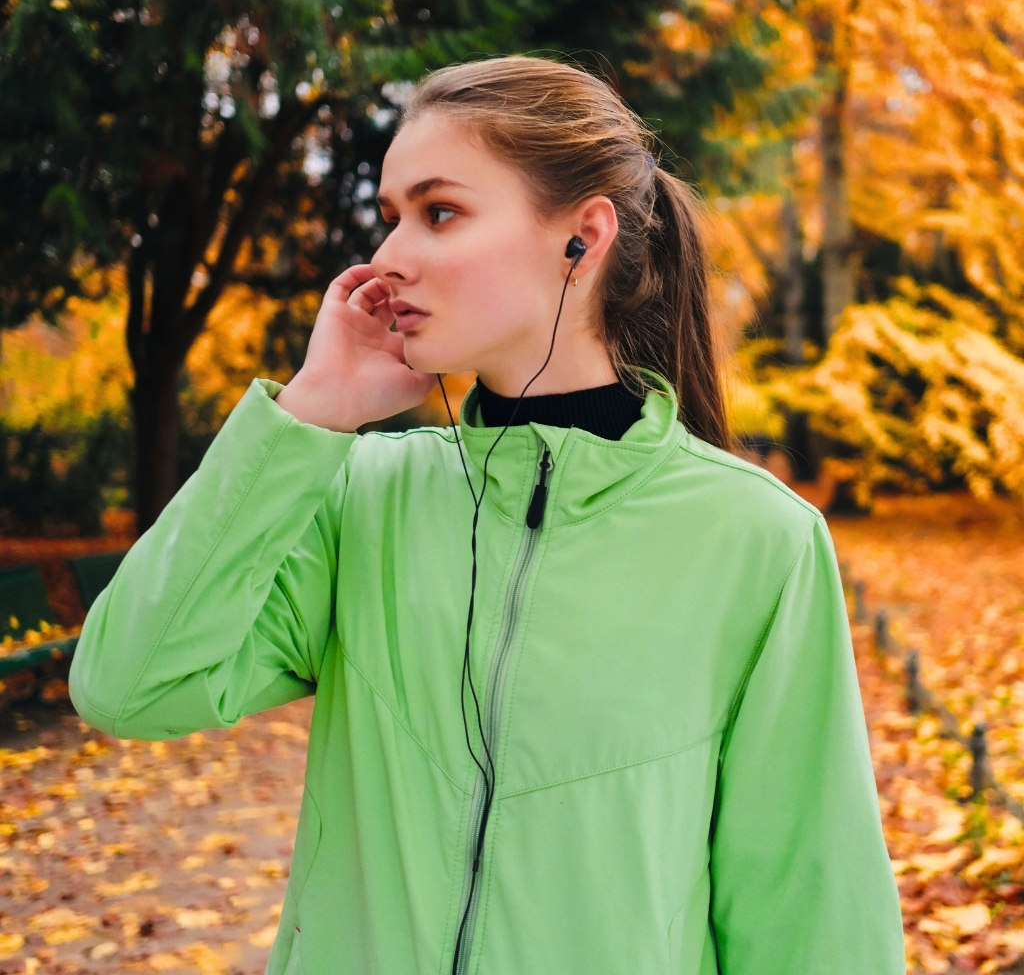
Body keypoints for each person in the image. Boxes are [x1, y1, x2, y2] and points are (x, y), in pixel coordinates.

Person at [69, 56, 904, 975]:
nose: (386, 256)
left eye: (439, 212)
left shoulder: (757, 541)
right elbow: (128, 687)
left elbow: (809, 911)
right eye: (390, 217)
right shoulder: (360, 495)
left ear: (580, 241)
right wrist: (309, 413)